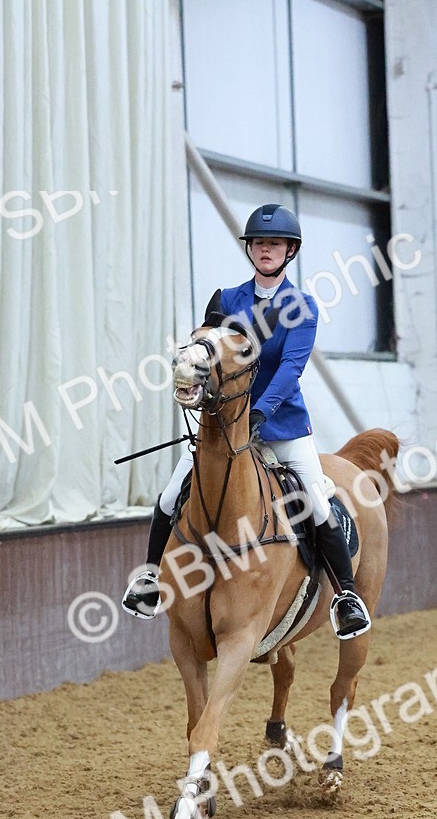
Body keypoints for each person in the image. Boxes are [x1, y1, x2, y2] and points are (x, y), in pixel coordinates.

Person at [122, 203, 371, 640]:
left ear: (289, 250)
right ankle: (150, 581)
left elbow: (291, 370)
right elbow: (206, 353)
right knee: (167, 498)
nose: (265, 250)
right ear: (251, 250)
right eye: (258, 243)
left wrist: (260, 412)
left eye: (274, 244)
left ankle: (346, 596)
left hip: (283, 426)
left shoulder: (301, 306)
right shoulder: (226, 300)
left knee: (316, 500)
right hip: (223, 427)